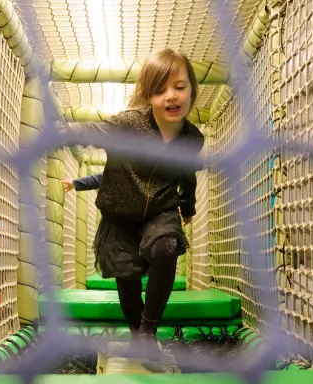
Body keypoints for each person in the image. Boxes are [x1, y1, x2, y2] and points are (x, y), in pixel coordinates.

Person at [64, 48, 204, 369]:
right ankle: (137, 335)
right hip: (119, 218)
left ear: (192, 90)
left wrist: (188, 206)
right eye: (160, 90)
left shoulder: (192, 139)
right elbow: (94, 131)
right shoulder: (130, 124)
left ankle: (147, 333)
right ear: (148, 96)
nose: (171, 96)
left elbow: (186, 172)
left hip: (160, 210)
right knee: (127, 285)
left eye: (180, 87)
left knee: (167, 246)